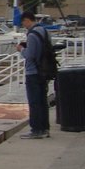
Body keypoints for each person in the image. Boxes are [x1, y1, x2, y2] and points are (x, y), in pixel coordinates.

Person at [17, 10, 51, 139]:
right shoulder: (45, 31)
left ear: (27, 20)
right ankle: (45, 128)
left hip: (33, 72)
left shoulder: (31, 35)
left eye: (23, 23)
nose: (24, 25)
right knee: (43, 101)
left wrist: (21, 49)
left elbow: (29, 55)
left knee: (34, 102)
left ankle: (36, 129)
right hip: (44, 71)